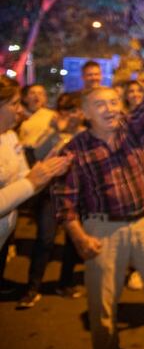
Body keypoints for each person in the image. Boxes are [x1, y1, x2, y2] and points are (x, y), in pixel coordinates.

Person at [53, 22, 144, 349]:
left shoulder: (132, 129)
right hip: (102, 231)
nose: (111, 108)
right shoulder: (74, 149)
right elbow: (65, 203)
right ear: (85, 114)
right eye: (101, 104)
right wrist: (79, 237)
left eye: (114, 102)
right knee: (102, 306)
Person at [0, 77, 71, 289]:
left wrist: (44, 172)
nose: (20, 110)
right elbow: (26, 183)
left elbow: (23, 177)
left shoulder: (10, 137)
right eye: (14, 104)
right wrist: (32, 181)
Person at [18, 92, 87, 308]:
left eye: (74, 111)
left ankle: (65, 283)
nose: (70, 116)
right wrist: (56, 133)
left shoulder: (87, 134)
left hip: (78, 195)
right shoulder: (53, 133)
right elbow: (38, 155)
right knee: (45, 239)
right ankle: (32, 287)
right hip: (51, 193)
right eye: (65, 111)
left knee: (72, 241)